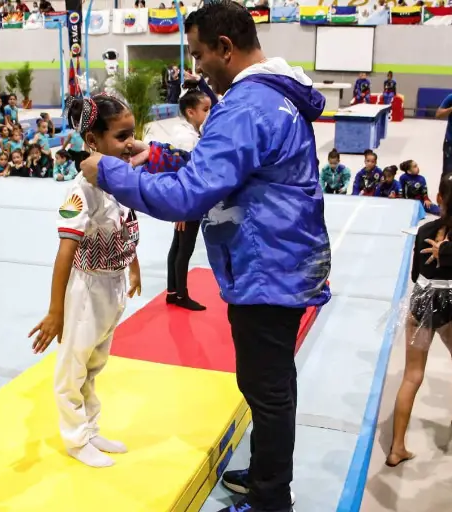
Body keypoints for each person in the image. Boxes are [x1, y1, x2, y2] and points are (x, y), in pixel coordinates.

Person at [78, 3, 331, 511]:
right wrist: (161, 157)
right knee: (274, 382)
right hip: (282, 257)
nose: (196, 68)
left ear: (225, 48)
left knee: (267, 389)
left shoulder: (243, 108)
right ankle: (266, 474)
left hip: (269, 266)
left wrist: (108, 172)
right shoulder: (273, 96)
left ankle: (269, 498)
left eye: (197, 54)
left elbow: (188, 198)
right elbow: (230, 168)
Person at [29, 93, 142, 469]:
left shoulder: (120, 179)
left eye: (133, 135)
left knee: (95, 363)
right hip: (87, 287)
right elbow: (65, 252)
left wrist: (134, 266)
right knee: (72, 368)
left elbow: (126, 225)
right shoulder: (81, 191)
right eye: (122, 136)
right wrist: (55, 310)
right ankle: (75, 440)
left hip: (113, 284)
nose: (131, 144)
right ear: (92, 141)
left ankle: (90, 428)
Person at [386, 167, 452, 468]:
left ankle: (396, 447)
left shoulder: (426, 230)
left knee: (412, 375)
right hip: (451, 308)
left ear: (439, 198)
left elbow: (415, 273)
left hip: (421, 302)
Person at [165, 88, 212, 311]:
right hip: (188, 199)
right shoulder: (186, 138)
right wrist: (182, 208)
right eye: (206, 109)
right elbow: (182, 172)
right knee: (185, 248)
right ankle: (182, 295)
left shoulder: (191, 133)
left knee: (177, 246)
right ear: (191, 112)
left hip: (187, 199)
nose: (209, 113)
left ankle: (172, 292)